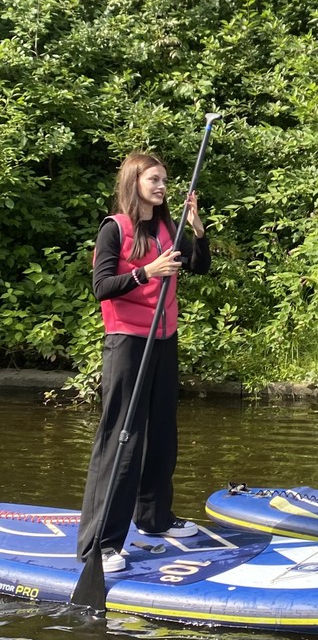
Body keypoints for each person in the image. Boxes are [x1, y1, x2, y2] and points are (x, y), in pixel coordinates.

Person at [77, 152, 211, 573]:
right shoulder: (114, 229)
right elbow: (102, 287)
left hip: (163, 340)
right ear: (134, 182)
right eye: (154, 179)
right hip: (127, 343)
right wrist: (147, 272)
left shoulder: (169, 228)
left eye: (165, 180)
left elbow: (200, 266)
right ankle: (101, 543)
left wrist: (197, 231)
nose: (162, 186)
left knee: (162, 432)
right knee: (123, 437)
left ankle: (154, 519)